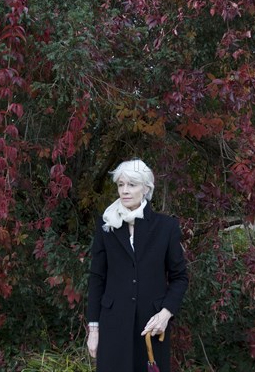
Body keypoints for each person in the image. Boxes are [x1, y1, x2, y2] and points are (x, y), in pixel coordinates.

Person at [86, 159, 188, 372]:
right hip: (112, 325)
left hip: (151, 326)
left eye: (131, 185)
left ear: (146, 188)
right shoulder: (106, 225)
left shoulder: (166, 227)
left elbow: (179, 277)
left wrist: (166, 313)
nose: (124, 191)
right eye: (120, 185)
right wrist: (93, 329)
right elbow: (97, 278)